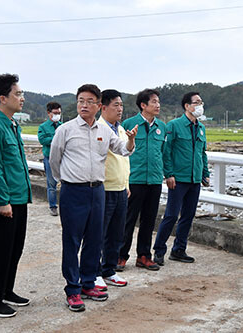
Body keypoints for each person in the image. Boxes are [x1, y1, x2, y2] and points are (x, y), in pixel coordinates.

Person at [49, 84, 137, 312]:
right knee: (72, 240)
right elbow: (54, 161)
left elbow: (122, 150)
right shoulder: (65, 130)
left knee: (95, 239)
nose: (84, 105)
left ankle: (89, 282)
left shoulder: (104, 130)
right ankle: (73, 289)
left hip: (98, 191)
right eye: (80, 101)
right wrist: (67, 181)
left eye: (89, 101)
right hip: (73, 191)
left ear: (98, 105)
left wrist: (130, 140)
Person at [0, 74, 32, 318]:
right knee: (0, 249)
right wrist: (2, 201)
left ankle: (5, 290)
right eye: (18, 94)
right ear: (3, 98)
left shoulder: (12, 124)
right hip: (5, 201)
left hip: (19, 198)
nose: (22, 98)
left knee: (14, 248)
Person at [153, 92, 210, 266]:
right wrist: (168, 174)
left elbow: (202, 153)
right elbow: (166, 151)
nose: (200, 105)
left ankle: (179, 250)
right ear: (187, 106)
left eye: (201, 102)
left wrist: (205, 173)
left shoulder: (201, 127)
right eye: (196, 102)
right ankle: (159, 250)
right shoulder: (174, 125)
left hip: (194, 179)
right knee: (171, 215)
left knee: (188, 216)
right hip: (178, 179)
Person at [117, 89, 166, 271]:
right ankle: (120, 256)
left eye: (158, 102)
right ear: (143, 105)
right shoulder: (129, 124)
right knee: (128, 219)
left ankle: (144, 256)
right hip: (134, 180)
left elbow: (163, 153)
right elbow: (121, 152)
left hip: (154, 180)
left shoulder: (162, 127)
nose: (157, 105)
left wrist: (165, 173)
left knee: (149, 220)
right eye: (154, 102)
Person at [94, 90, 130, 291]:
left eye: (121, 105)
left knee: (117, 233)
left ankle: (109, 269)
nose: (120, 109)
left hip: (120, 188)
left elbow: (125, 157)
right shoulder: (98, 128)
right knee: (99, 233)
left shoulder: (121, 129)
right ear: (103, 107)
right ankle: (95, 271)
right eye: (116, 105)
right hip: (104, 188)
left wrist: (127, 184)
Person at [38, 102, 63, 216]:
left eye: (59, 113)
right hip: (49, 158)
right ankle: (53, 206)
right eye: (55, 113)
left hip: (63, 159)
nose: (57, 115)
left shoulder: (63, 126)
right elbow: (43, 140)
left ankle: (64, 205)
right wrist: (56, 138)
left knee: (65, 183)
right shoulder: (43, 127)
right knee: (51, 184)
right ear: (49, 113)